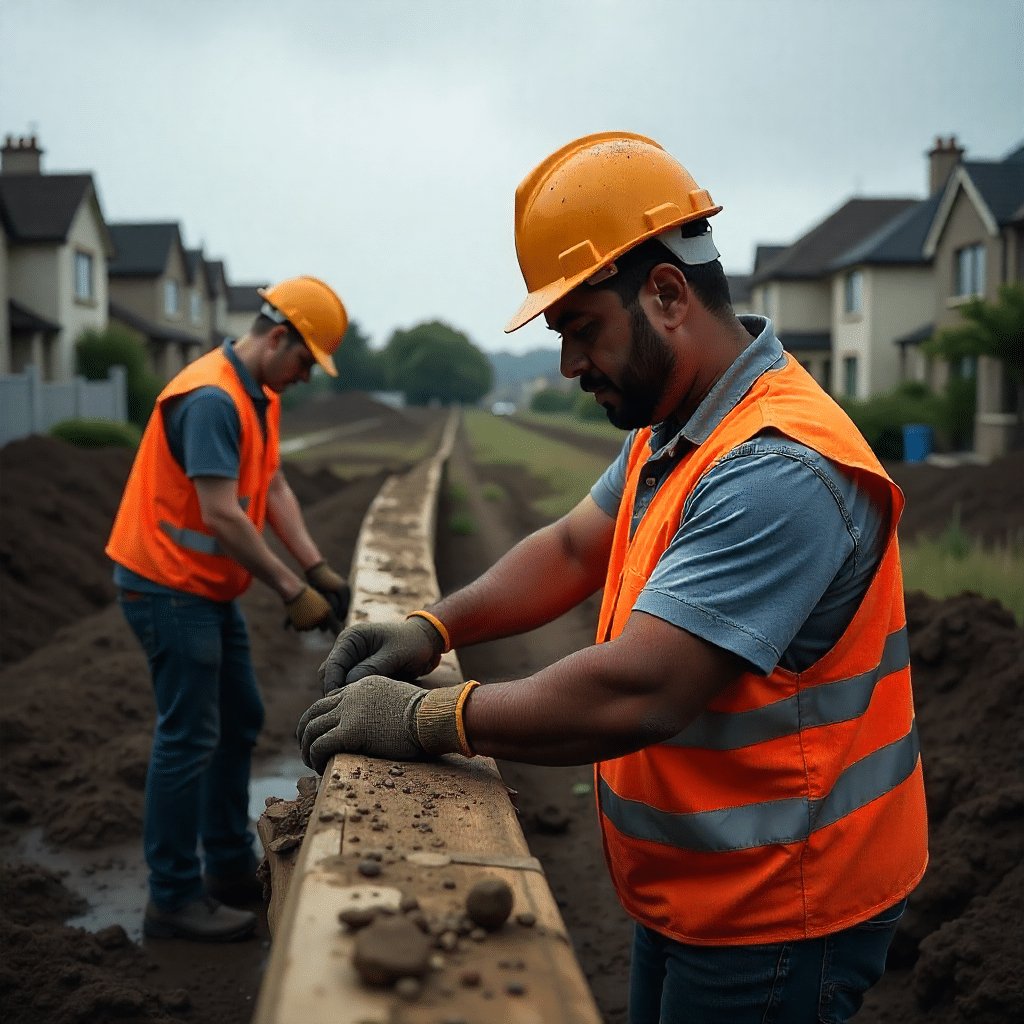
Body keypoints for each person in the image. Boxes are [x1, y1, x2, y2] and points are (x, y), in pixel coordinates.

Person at [296, 134, 928, 1022]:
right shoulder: (681, 423)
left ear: (666, 294)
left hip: (780, 911)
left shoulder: (777, 468)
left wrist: (426, 717)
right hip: (701, 884)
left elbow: (643, 691)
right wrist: (431, 628)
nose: (567, 364)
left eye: (580, 328)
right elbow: (569, 549)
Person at [107, 276, 352, 942]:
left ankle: (224, 865)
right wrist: (290, 589)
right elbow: (220, 513)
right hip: (165, 586)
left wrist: (314, 565)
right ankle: (172, 897)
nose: (305, 376)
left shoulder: (258, 395)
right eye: (305, 361)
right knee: (189, 736)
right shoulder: (211, 399)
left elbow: (272, 483)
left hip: (205, 588)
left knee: (238, 717)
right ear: (278, 338)